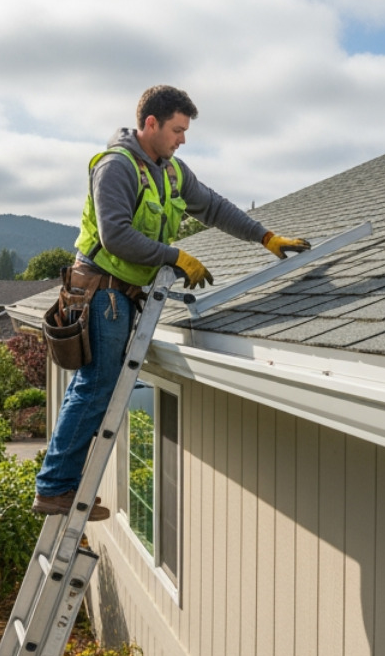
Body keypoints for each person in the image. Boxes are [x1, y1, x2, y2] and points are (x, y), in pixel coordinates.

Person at [34, 85, 310, 519]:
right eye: (178, 130)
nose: (183, 139)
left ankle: (57, 485)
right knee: (96, 385)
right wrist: (174, 256)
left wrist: (265, 236)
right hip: (101, 292)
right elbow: (115, 235)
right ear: (151, 123)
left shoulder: (173, 172)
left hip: (122, 294)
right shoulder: (117, 167)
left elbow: (214, 208)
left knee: (97, 387)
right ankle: (54, 488)